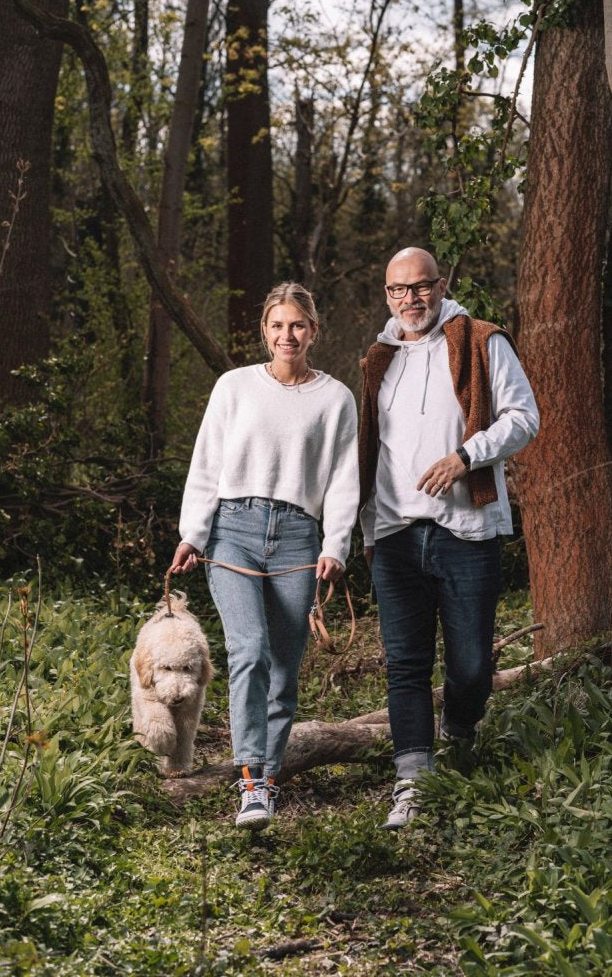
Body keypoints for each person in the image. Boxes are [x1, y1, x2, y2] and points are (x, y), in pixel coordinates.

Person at [359, 247, 539, 830]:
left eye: (421, 287)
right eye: (398, 290)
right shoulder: (378, 359)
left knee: (470, 665)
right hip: (394, 531)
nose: (410, 299)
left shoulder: (483, 340)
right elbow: (368, 450)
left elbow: (523, 417)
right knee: (405, 664)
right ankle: (412, 778)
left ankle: (460, 729)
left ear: (441, 286)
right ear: (386, 294)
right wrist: (360, 529)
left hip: (465, 529)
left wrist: (466, 456)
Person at [170, 282, 359, 830]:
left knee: (284, 665)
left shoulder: (336, 398)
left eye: (297, 325)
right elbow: (205, 464)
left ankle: (268, 779)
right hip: (235, 530)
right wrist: (193, 535)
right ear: (264, 332)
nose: (287, 335)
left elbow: (346, 479)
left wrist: (336, 545)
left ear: (313, 331)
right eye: (277, 325)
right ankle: (250, 777)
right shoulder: (235, 387)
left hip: (299, 537)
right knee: (249, 648)